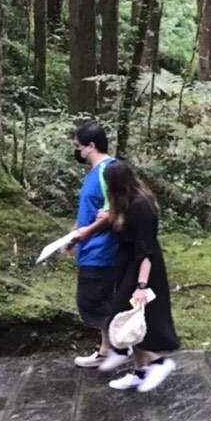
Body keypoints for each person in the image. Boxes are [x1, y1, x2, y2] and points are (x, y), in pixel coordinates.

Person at [100, 160, 180, 392]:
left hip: (143, 271)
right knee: (134, 321)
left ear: (115, 184)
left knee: (122, 315)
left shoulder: (140, 206)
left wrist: (142, 285)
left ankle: (158, 362)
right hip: (129, 267)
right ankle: (140, 371)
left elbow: (145, 251)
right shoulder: (127, 202)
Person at [64, 123, 130, 372]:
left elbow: (113, 211)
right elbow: (91, 210)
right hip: (88, 247)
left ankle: (122, 346)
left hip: (103, 250)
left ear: (91, 146)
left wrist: (87, 233)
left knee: (94, 301)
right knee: (99, 300)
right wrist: (73, 236)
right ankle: (108, 350)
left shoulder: (109, 171)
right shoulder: (93, 172)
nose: (77, 152)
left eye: (78, 147)